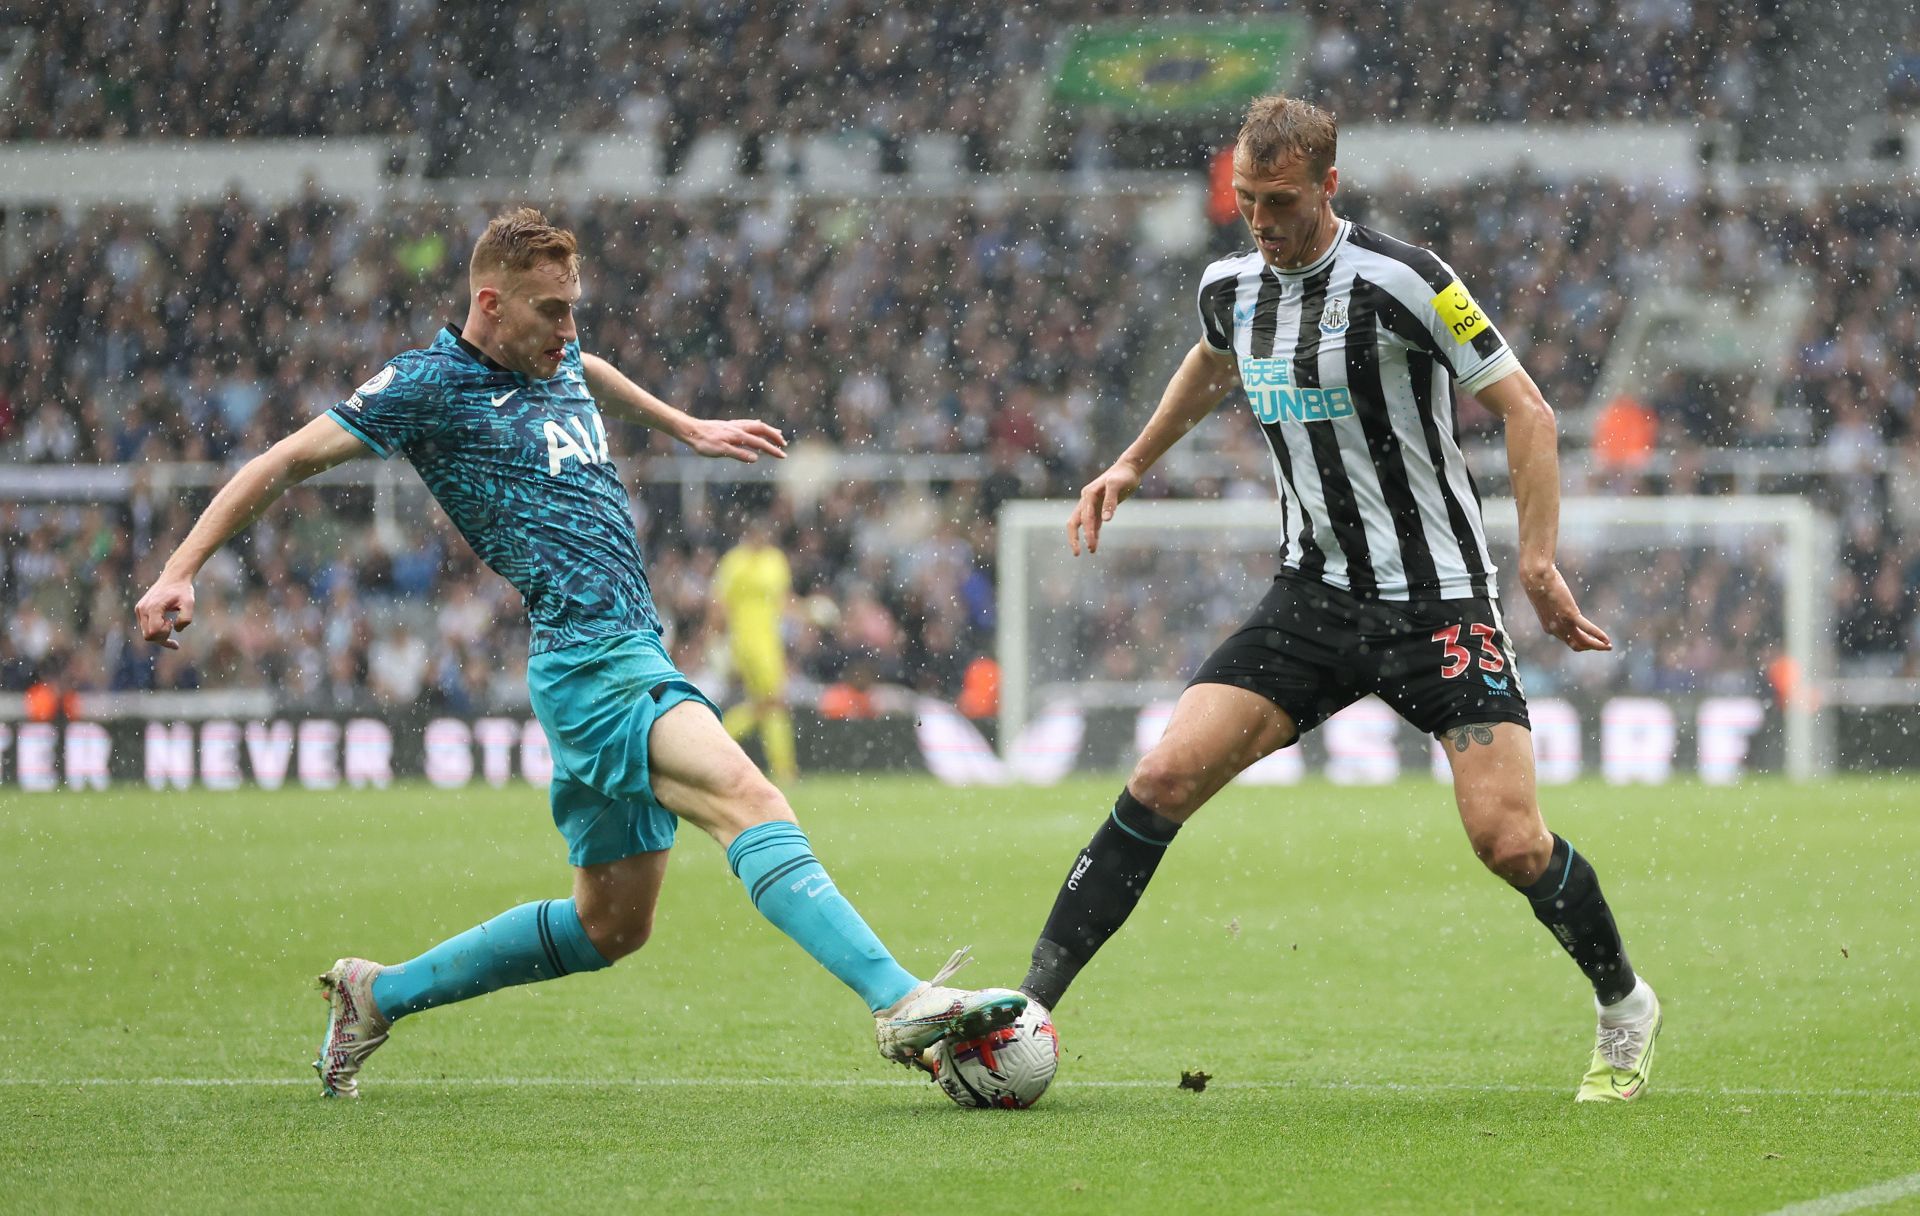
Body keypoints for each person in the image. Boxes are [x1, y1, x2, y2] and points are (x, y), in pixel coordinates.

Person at [133, 207, 1022, 1098]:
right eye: (552, 310)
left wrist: (686, 427)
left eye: (572, 308)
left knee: (610, 928)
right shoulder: (427, 385)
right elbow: (281, 462)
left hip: (613, 654)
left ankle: (376, 994)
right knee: (746, 796)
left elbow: (591, 369)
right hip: (594, 661)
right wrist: (180, 569)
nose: (570, 329)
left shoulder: (556, 355)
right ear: (490, 303)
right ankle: (896, 999)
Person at [1013, 96, 1660, 1102]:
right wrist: (1133, 461)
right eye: (1245, 201)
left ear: (1328, 185)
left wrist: (1536, 561)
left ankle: (1623, 1004)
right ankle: (1027, 1008)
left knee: (1509, 840)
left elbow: (1524, 408)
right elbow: (1213, 357)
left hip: (1437, 604)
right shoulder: (1231, 287)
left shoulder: (1410, 282)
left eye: (1279, 201)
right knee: (1161, 778)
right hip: (1309, 602)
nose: (1261, 221)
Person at [709, 515, 799, 784]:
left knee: (769, 706)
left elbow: (784, 602)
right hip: (746, 643)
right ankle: (783, 768)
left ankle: (721, 739)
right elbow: (719, 604)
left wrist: (808, 613)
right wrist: (715, 640)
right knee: (772, 704)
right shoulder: (735, 562)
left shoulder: (775, 561)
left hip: (770, 643)